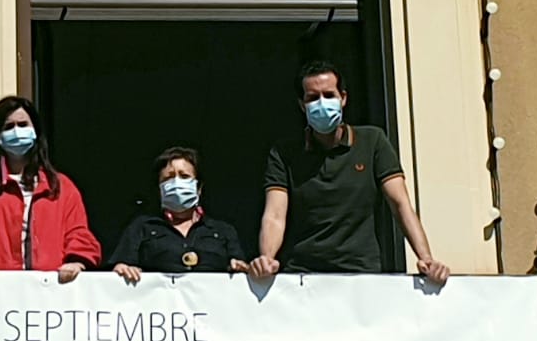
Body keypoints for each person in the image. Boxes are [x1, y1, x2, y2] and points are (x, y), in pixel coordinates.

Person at [251, 61, 451, 283]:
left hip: (362, 274)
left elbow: (400, 204)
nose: (322, 103)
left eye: (329, 95)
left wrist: (426, 258)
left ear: (343, 98)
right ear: (302, 104)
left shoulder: (373, 142)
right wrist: (267, 258)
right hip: (302, 276)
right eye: (313, 97)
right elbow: (275, 214)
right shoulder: (284, 152)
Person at [0, 95, 101, 283]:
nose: (16, 131)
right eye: (8, 127)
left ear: (35, 131)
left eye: (23, 125)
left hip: (50, 292)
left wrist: (76, 264)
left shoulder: (61, 188)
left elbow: (79, 236)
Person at [110, 147, 251, 281]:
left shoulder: (223, 231)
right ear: (160, 189)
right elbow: (120, 269)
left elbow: (240, 270)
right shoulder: (142, 227)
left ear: (199, 188)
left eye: (184, 176)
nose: (177, 183)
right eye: (168, 178)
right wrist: (122, 270)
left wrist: (240, 268)